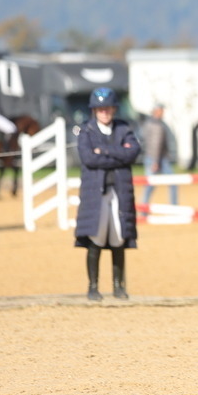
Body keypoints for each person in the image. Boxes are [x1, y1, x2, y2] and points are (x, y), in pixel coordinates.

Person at [74, 87, 140, 300]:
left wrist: (105, 150)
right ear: (95, 111)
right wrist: (118, 155)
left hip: (119, 191)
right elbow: (89, 159)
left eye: (108, 108)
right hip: (96, 192)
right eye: (100, 109)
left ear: (113, 109)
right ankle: (93, 287)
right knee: (96, 236)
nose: (104, 112)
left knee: (118, 237)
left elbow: (133, 152)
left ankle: (118, 286)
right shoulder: (87, 131)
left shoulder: (123, 129)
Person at [140, 103, 178, 205]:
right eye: (162, 110)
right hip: (156, 158)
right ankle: (144, 208)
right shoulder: (157, 125)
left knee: (152, 184)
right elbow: (155, 144)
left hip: (156, 157)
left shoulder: (149, 123)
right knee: (151, 184)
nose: (163, 113)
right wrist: (156, 161)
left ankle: (144, 208)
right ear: (157, 111)